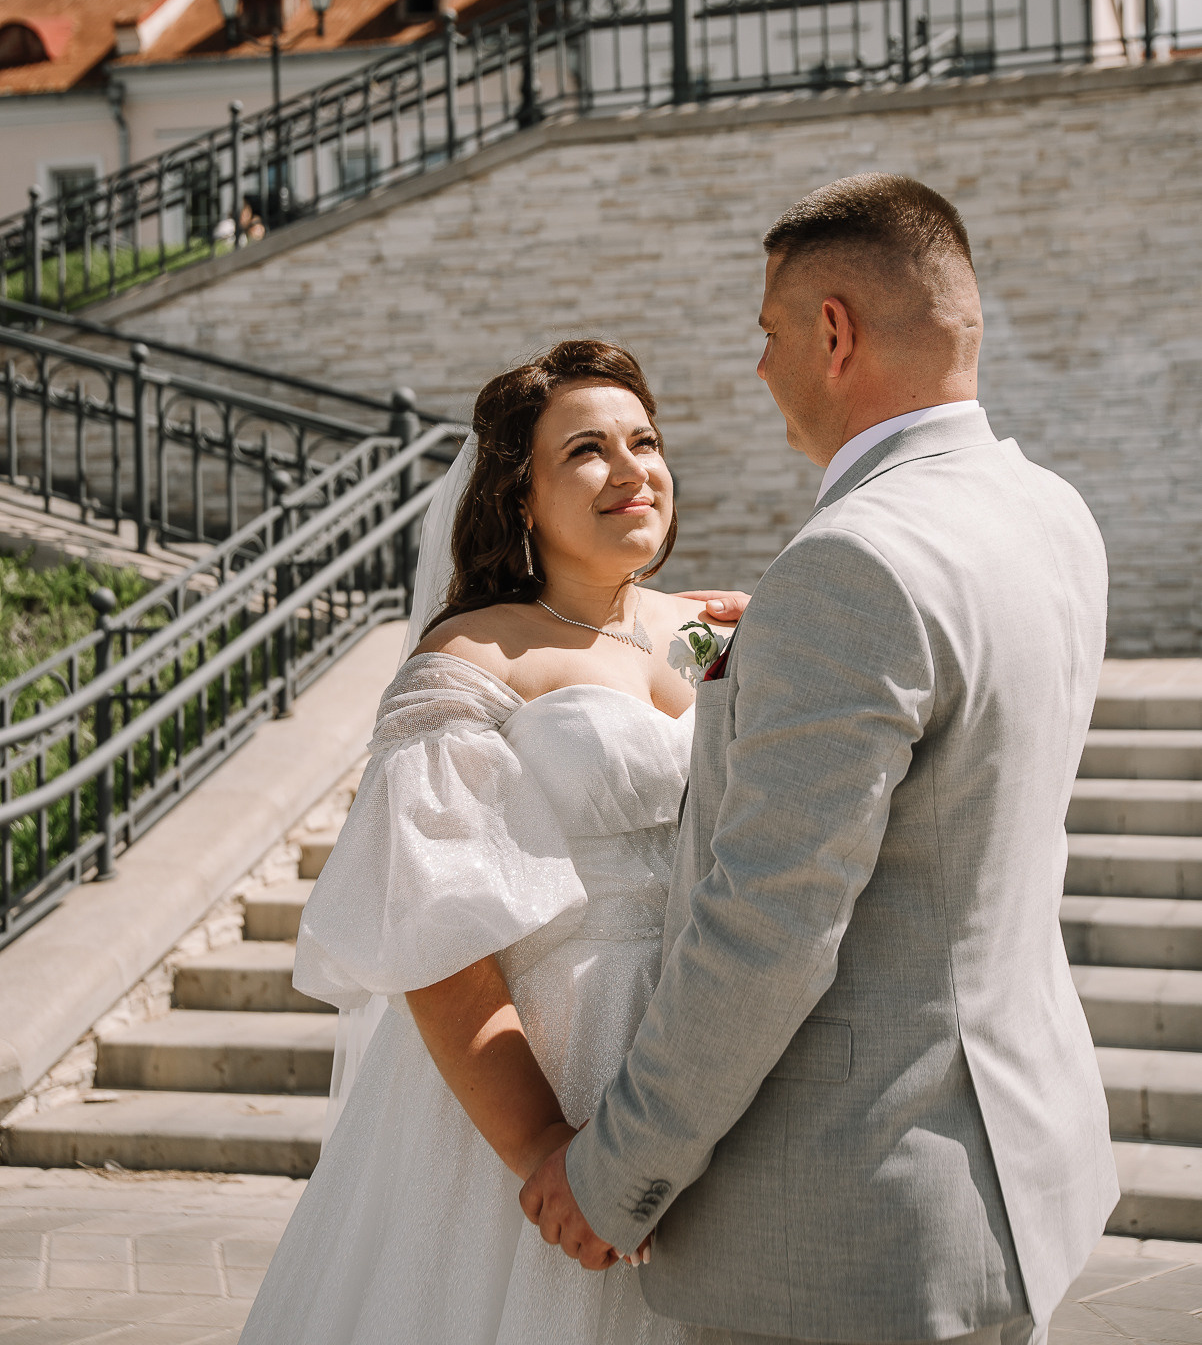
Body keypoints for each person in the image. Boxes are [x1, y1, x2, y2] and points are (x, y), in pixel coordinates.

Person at [523, 174, 1117, 1345]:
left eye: (767, 335)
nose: (758, 369)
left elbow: (766, 930)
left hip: (855, 1223)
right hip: (1020, 1168)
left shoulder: (852, 563)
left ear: (832, 334)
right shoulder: (1052, 512)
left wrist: (616, 1171)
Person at [239, 338, 746, 1345]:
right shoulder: (472, 655)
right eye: (585, 451)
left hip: (705, 1044)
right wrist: (542, 1147)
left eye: (643, 440)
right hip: (548, 1055)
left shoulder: (716, 631)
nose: (631, 468)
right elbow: (436, 930)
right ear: (519, 497)